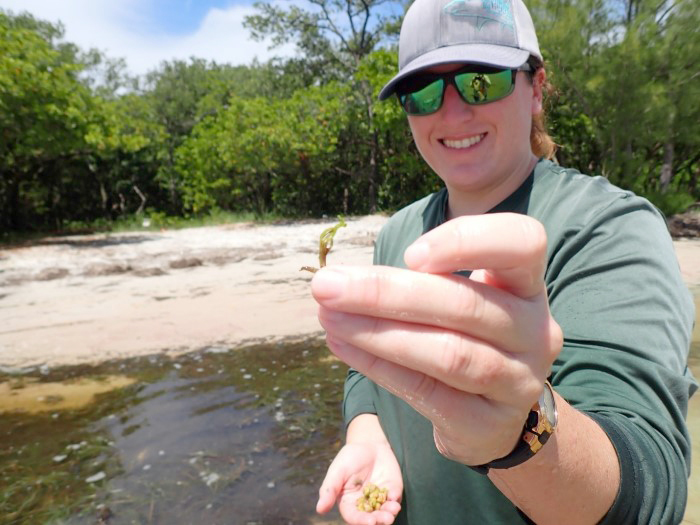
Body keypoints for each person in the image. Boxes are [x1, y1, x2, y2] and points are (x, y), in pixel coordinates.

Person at [310, 0, 697, 523]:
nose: (451, 112)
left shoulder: (609, 227)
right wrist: (366, 430)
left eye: (481, 80)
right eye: (421, 92)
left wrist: (517, 432)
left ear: (536, 87)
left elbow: (652, 487)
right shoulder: (398, 233)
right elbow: (366, 368)